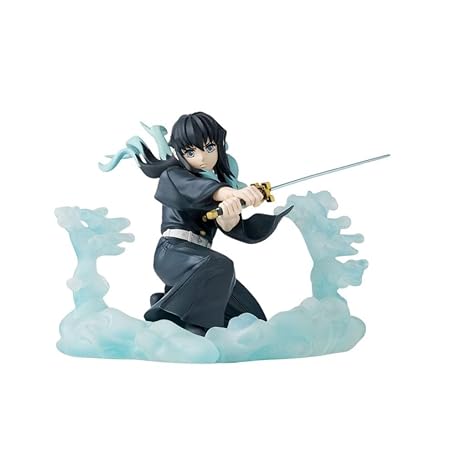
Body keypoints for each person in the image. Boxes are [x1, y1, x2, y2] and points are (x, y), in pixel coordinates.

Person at [102, 112, 292, 335]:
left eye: (209, 147)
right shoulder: (174, 176)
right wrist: (231, 193)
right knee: (221, 266)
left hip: (202, 262)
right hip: (174, 253)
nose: (202, 157)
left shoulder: (218, 182)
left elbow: (227, 224)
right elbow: (199, 190)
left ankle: (173, 303)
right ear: (181, 154)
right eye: (191, 152)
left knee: (252, 319)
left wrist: (231, 213)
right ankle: (169, 317)